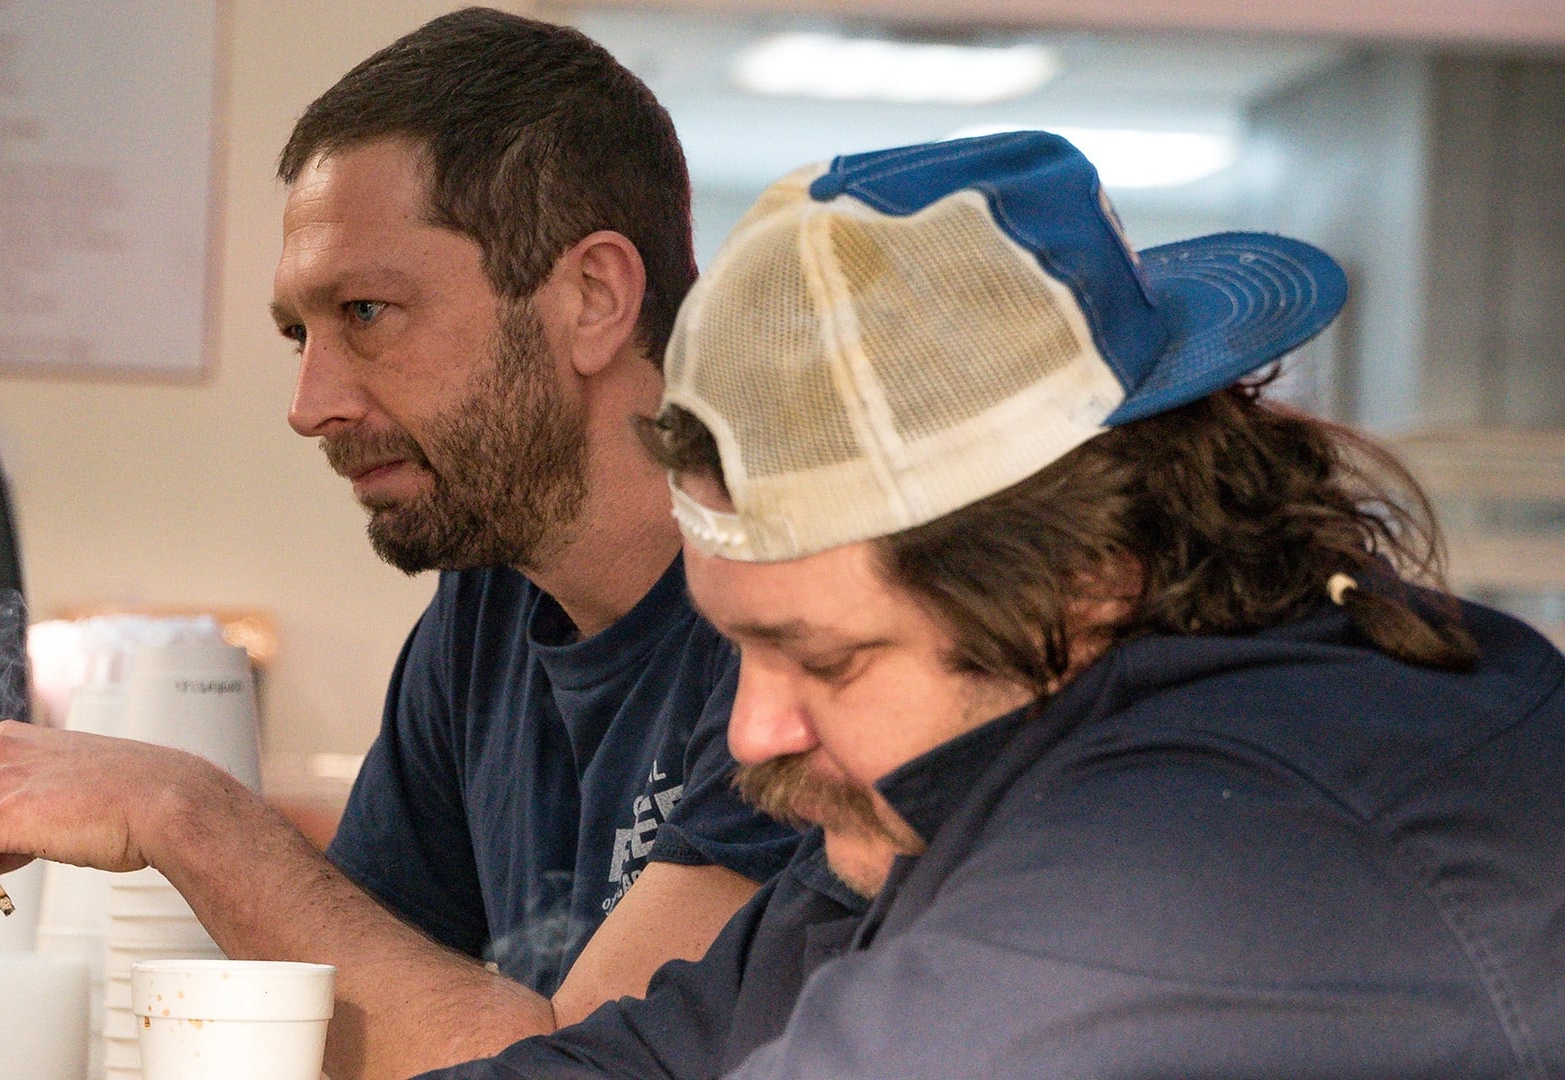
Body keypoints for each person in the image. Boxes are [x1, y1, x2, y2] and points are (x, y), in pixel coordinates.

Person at [428, 131, 1565, 1078]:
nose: (749, 734)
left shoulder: (1205, 864)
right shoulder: (973, 765)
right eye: (739, 648)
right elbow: (644, 1059)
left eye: (827, 659)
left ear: (1086, 574)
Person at [0, 9, 796, 1078]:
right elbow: (343, 1012)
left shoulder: (801, 641)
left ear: (593, 298)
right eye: (299, 332)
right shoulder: (487, 609)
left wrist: (186, 812)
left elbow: (587, 1071)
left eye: (367, 311)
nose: (309, 403)